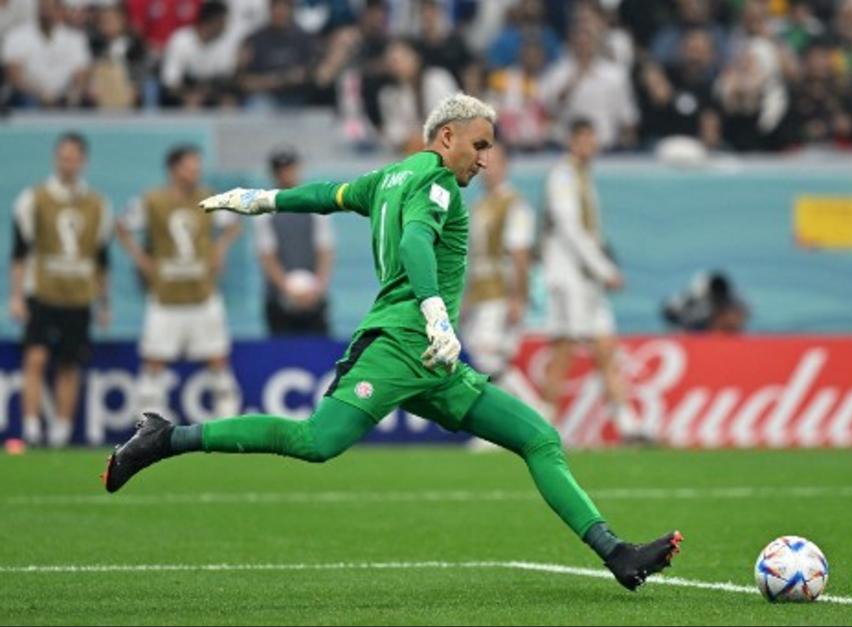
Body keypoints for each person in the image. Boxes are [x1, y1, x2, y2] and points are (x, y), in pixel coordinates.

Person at [102, 93, 681, 592]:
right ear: (447, 137)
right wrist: (434, 313)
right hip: (407, 344)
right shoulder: (437, 187)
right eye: (479, 146)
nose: (486, 159)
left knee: (538, 437)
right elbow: (415, 244)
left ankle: (616, 553)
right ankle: (167, 437)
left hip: (433, 361)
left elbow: (328, 193)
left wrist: (261, 199)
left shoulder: (389, 177)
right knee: (315, 441)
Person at [540, 118, 652, 443]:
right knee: (563, 350)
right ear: (573, 141)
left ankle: (628, 425)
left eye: (594, 138)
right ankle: (541, 424)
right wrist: (605, 268)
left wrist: (599, 272)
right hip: (569, 277)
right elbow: (570, 228)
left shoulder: (583, 177)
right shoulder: (562, 176)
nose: (591, 145)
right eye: (586, 138)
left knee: (606, 348)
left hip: (588, 281)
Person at [116, 145, 242, 420]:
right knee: (154, 363)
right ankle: (151, 425)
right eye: (190, 166)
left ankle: (226, 420)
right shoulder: (152, 200)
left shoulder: (208, 197)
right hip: (165, 295)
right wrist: (142, 260)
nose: (196, 171)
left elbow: (234, 223)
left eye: (197, 165)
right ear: (174, 169)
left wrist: (219, 251)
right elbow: (122, 225)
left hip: (203, 293)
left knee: (217, 360)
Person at [8, 132, 112, 446]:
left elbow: (101, 259)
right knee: (35, 358)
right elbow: (20, 252)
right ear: (56, 158)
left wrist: (104, 302)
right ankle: (30, 428)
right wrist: (15, 296)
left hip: (79, 296)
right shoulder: (33, 199)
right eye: (63, 156)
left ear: (83, 161)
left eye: (73, 157)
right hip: (42, 292)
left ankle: (61, 432)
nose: (68, 162)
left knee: (69, 364)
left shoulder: (97, 204)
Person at [461, 143, 533, 386]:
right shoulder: (478, 207)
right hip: (479, 293)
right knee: (486, 365)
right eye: (483, 163)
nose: (487, 169)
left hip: (500, 292)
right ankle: (520, 419)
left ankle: (538, 413)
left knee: (487, 362)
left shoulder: (514, 205)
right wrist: (465, 299)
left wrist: (518, 297)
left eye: (494, 163)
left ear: (506, 167)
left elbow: (520, 255)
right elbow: (471, 259)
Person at [254, 147, 334, 336]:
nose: (286, 174)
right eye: (281, 170)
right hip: (278, 298)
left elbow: (325, 250)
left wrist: (318, 288)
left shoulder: (315, 203)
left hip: (313, 295)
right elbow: (267, 255)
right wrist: (288, 289)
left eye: (290, 168)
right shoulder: (264, 209)